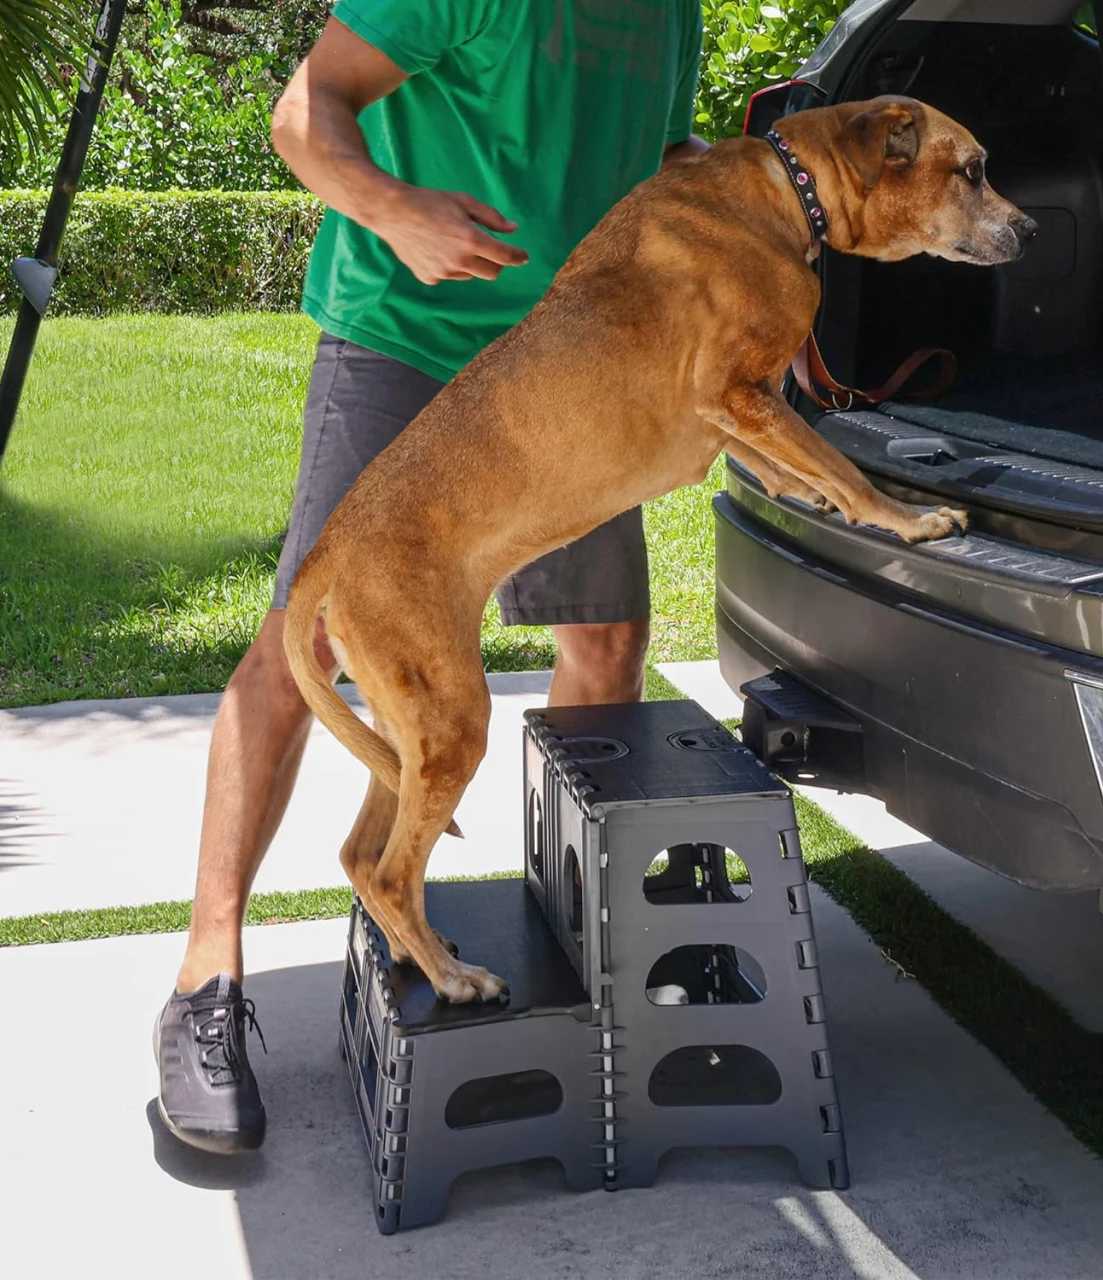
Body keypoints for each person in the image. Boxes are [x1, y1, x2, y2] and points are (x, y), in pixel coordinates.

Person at [154, 0, 707, 1154]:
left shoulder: (673, 9)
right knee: (298, 645)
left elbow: (654, 162)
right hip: (405, 336)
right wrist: (394, 210)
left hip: (567, 369)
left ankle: (585, 938)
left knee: (603, 638)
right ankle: (206, 978)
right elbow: (307, 108)